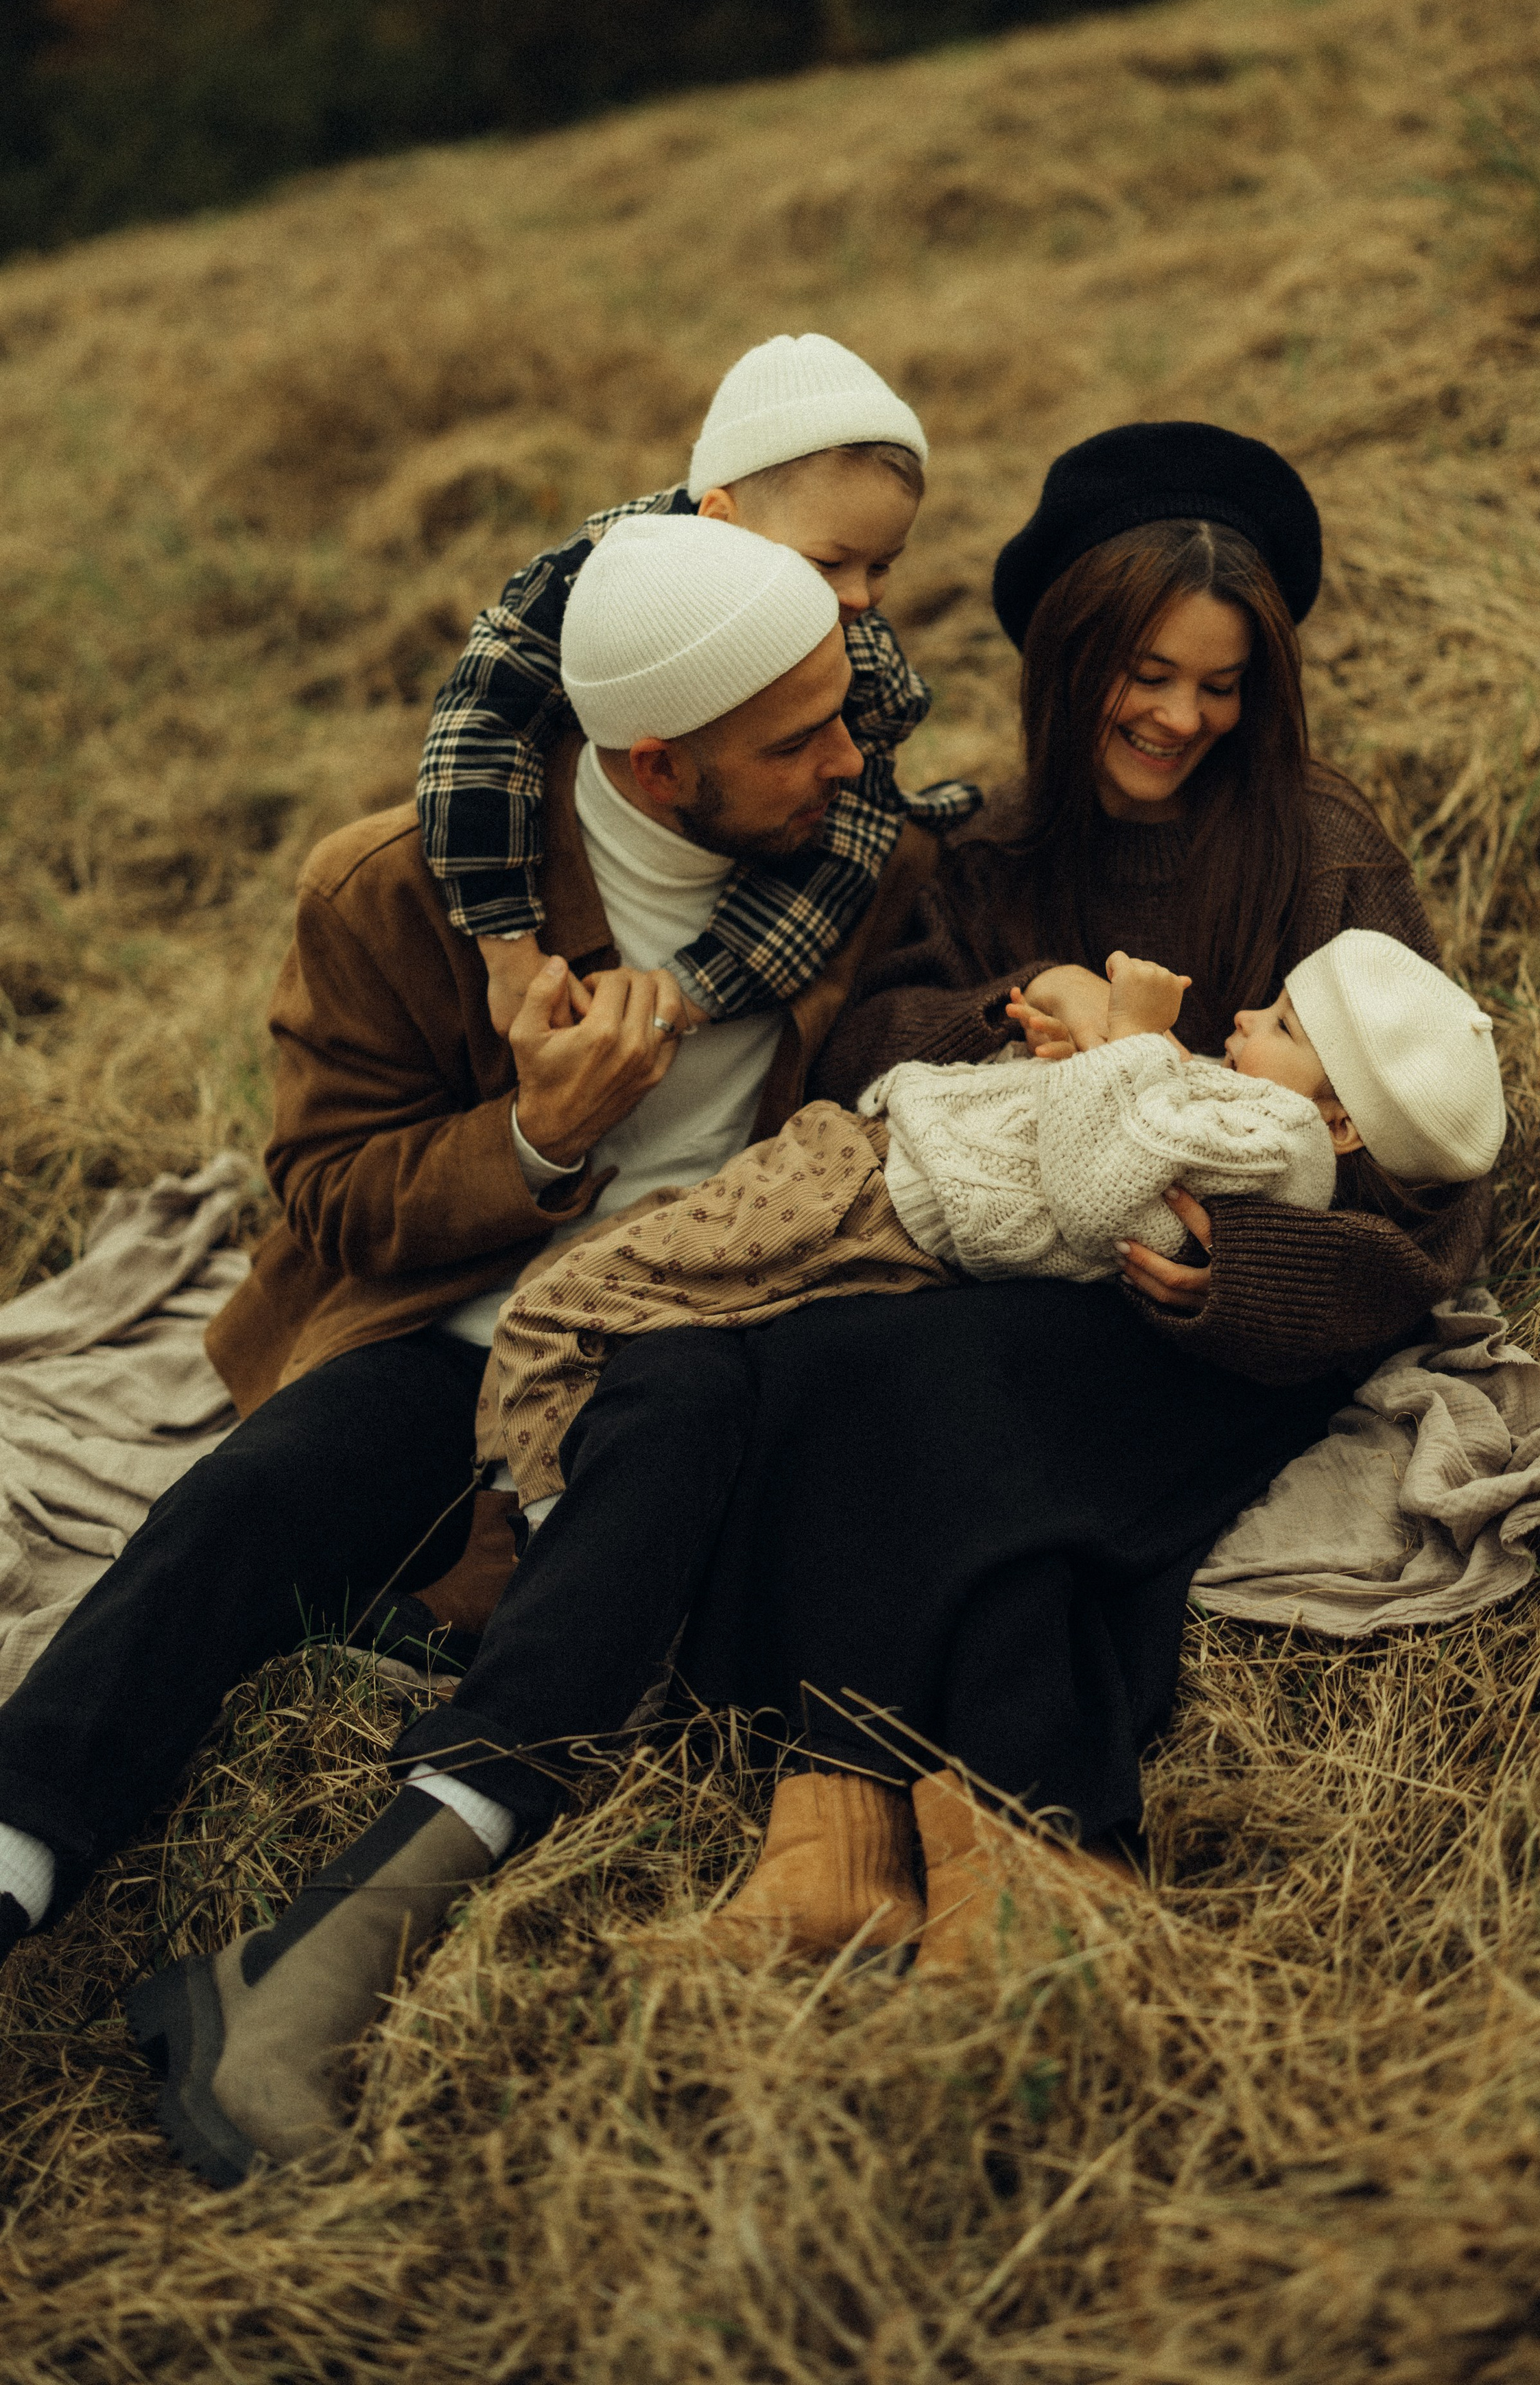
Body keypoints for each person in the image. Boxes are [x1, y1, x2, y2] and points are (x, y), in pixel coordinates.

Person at [123, 421, 1501, 2190]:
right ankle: (827, 1835)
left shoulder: (1318, 851)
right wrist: (1032, 1014)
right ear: (1069, 660)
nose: (1176, 717)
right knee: (807, 1366)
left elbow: (1429, 1190)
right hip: (973, 1247)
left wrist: (1250, 1268)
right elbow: (860, 1045)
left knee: (946, 1403)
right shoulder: (983, 844)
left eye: (1220, 687)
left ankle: (1002, 1838)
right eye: (1142, 675)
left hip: (1193, 1317)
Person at [0, 511, 939, 1974]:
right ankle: (20, 1851)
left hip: (688, 1335)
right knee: (245, 1507)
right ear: (654, 768)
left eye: (843, 720)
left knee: (649, 1501)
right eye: (799, 742)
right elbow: (327, 1186)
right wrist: (538, 1143)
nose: (848, 763)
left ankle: (367, 1898)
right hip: (448, 1322)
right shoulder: (391, 891)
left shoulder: (856, 870)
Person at [486, 929, 1506, 1516]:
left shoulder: (1283, 1146)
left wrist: (1140, 1039)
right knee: (637, 1272)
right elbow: (1116, 1118)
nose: (1244, 1020)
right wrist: (1084, 1037)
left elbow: (1099, 1190)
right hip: (873, 1163)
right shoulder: (1251, 1103)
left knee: (569, 1301)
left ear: (1341, 1121)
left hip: (876, 1196)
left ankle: (545, 1528)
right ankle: (529, 1482)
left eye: (1282, 1026)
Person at [417, 329, 976, 1037]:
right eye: (828, 564)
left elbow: (843, 852)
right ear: (719, 519)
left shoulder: (859, 656)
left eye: (882, 566)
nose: (860, 598)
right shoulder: (585, 589)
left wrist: (694, 989)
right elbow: (477, 730)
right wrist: (507, 949)